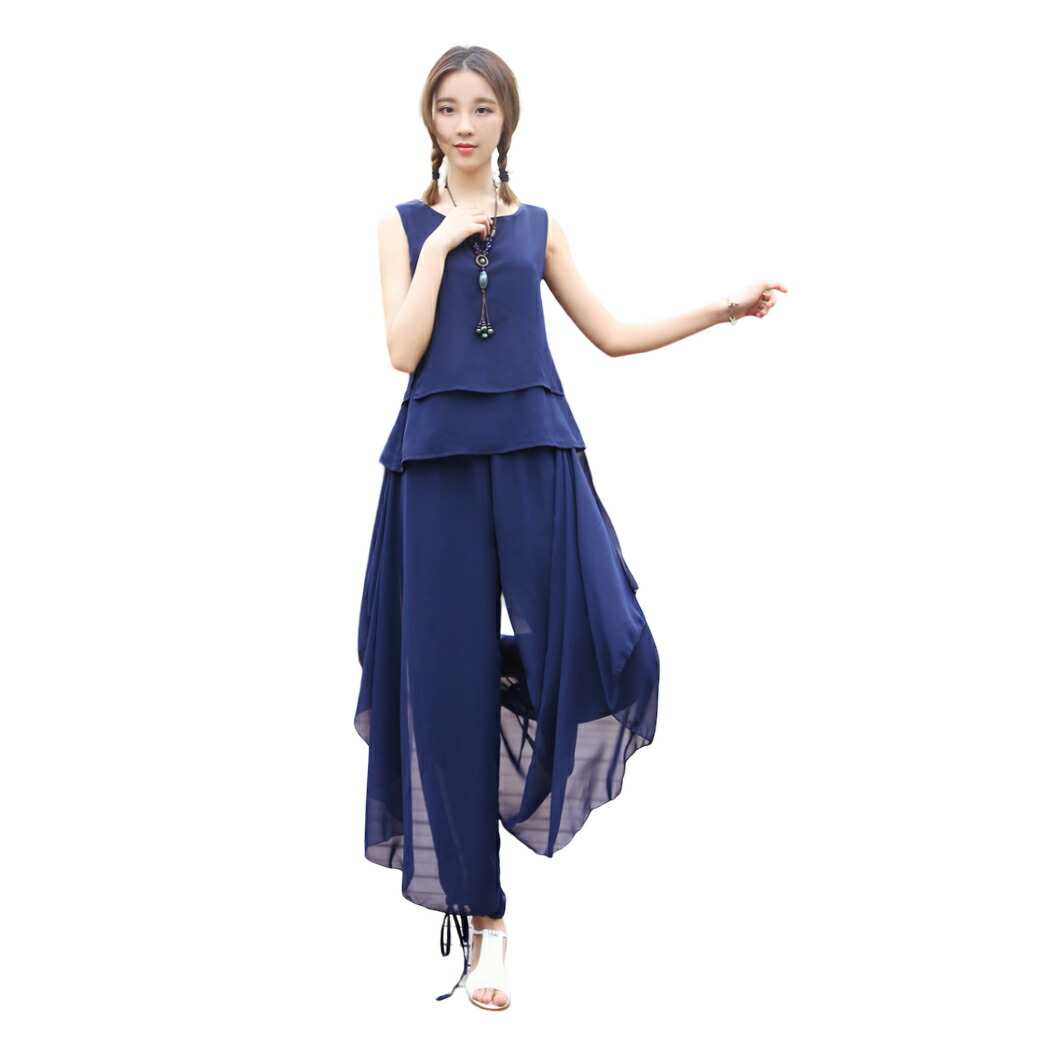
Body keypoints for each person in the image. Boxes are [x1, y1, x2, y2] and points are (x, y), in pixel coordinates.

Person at [355, 44, 787, 1012]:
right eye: (447, 108)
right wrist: (439, 244)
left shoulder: (540, 226)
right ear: (429, 120)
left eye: (482, 108)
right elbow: (401, 351)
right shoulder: (401, 224)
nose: (464, 124)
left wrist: (722, 309)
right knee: (442, 678)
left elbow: (611, 335)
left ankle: (525, 741)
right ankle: (486, 923)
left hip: (538, 452)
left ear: (507, 119)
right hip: (434, 466)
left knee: (599, 636)